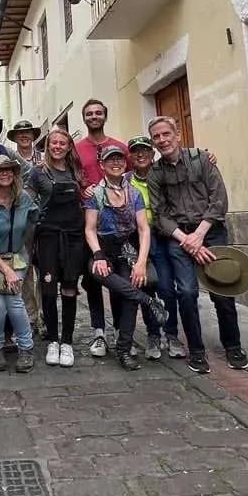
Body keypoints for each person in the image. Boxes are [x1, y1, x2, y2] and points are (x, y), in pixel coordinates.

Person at [147, 116, 248, 374]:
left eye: (165, 134)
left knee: (223, 290)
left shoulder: (202, 159)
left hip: (210, 233)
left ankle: (233, 345)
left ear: (177, 134)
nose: (162, 140)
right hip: (179, 237)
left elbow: (219, 199)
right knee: (187, 293)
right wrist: (186, 240)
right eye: (156, 137)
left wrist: (200, 235)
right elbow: (160, 215)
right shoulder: (155, 173)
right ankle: (197, 350)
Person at [85, 144, 169, 370]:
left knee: (130, 292)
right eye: (111, 160)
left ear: (125, 163)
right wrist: (98, 255)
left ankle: (124, 349)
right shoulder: (96, 194)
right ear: (102, 165)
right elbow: (90, 229)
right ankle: (149, 301)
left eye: (120, 160)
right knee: (107, 278)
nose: (116, 163)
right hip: (102, 250)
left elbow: (143, 229)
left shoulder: (134, 194)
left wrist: (141, 263)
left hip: (126, 251)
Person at [28, 127, 86, 368]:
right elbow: (27, 202)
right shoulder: (38, 172)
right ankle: (53, 340)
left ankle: (68, 342)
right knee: (49, 288)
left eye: (63, 143)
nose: (58, 146)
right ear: (47, 146)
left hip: (73, 236)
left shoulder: (76, 171)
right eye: (54, 143)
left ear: (69, 146)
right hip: (49, 236)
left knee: (70, 288)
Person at [127, 135, 186, 360]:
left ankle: (171, 333)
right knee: (145, 287)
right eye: (135, 152)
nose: (141, 155)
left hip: (163, 236)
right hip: (137, 238)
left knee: (166, 288)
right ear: (130, 156)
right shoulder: (126, 180)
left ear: (153, 153)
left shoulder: (163, 174)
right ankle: (153, 334)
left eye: (145, 150)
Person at [76, 99, 129, 339]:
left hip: (119, 225)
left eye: (98, 113)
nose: (94, 116)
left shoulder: (120, 146)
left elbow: (135, 172)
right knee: (93, 277)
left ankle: (119, 327)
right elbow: (73, 179)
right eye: (89, 113)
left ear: (105, 116)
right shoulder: (76, 150)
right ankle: (99, 329)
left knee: (117, 275)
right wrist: (83, 190)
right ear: (84, 118)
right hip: (89, 221)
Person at [0, 155, 36, 373]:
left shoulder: (23, 198)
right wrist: (5, 269)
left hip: (17, 256)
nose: (4, 174)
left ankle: (26, 348)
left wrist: (21, 255)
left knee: (14, 301)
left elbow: (31, 225)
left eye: (8, 170)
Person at [6, 119, 43, 332]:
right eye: (20, 133)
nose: (24, 136)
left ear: (33, 135)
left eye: (27, 132)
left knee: (44, 268)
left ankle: (43, 314)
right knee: (25, 268)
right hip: (22, 220)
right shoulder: (12, 161)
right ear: (15, 137)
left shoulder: (44, 157)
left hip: (44, 218)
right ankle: (30, 315)